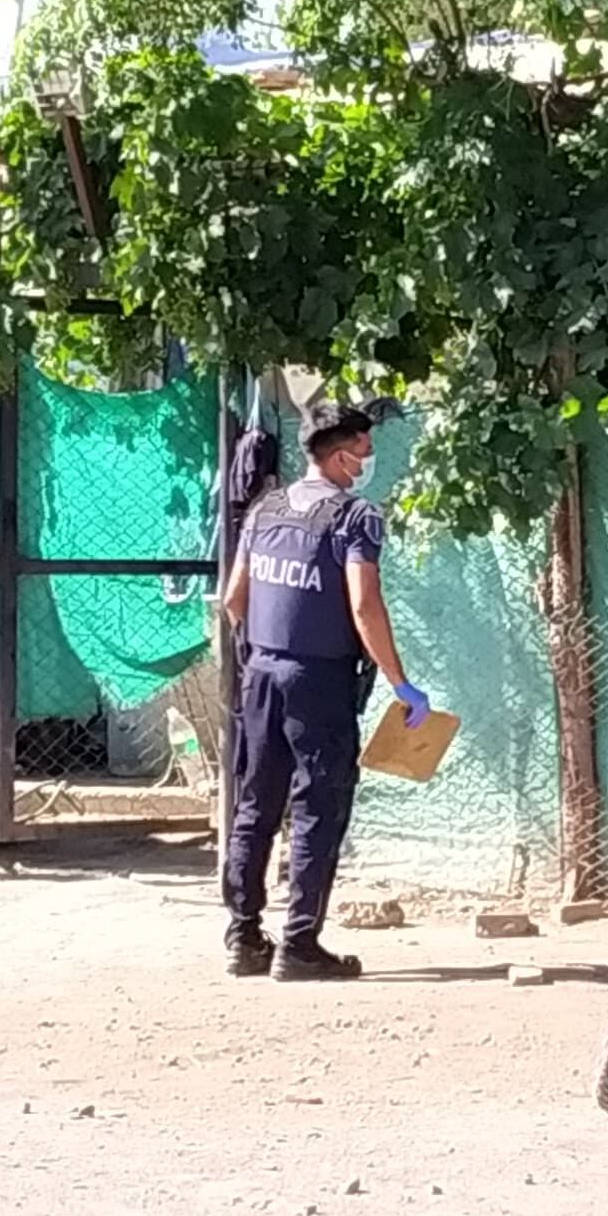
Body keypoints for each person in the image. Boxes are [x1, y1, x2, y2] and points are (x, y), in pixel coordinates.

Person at [217, 395, 425, 982]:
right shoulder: (356, 518)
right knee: (317, 805)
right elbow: (364, 605)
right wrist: (400, 683)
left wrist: (262, 655)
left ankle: (243, 936)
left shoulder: (264, 511)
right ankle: (299, 944)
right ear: (339, 456)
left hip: (261, 675)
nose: (368, 459)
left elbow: (235, 600)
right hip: (320, 682)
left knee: (256, 803)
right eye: (363, 450)